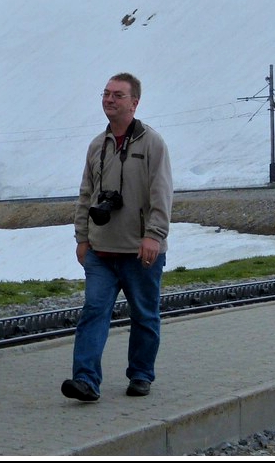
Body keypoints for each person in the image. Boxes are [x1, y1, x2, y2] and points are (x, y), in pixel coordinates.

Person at [61, 72, 174, 402]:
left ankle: (140, 374)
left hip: (141, 251)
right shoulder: (97, 145)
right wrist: (82, 237)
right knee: (93, 312)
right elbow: (86, 194)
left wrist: (153, 235)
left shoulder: (153, 143)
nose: (109, 99)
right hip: (101, 250)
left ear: (134, 103)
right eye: (106, 94)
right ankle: (85, 380)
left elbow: (162, 193)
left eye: (117, 95)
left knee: (144, 315)